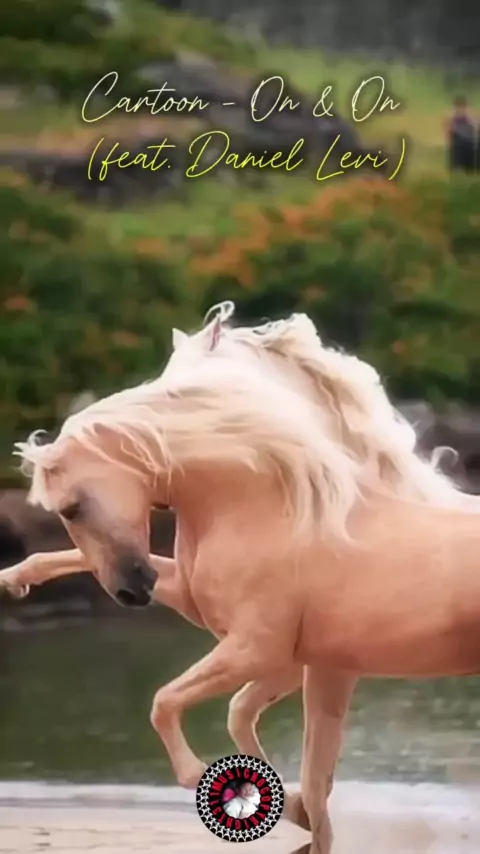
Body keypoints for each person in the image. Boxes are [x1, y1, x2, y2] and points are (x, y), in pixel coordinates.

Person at [445, 96, 476, 174]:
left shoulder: (469, 118)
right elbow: (449, 129)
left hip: (468, 142)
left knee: (469, 162)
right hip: (458, 142)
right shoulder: (453, 117)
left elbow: (474, 128)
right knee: (456, 161)